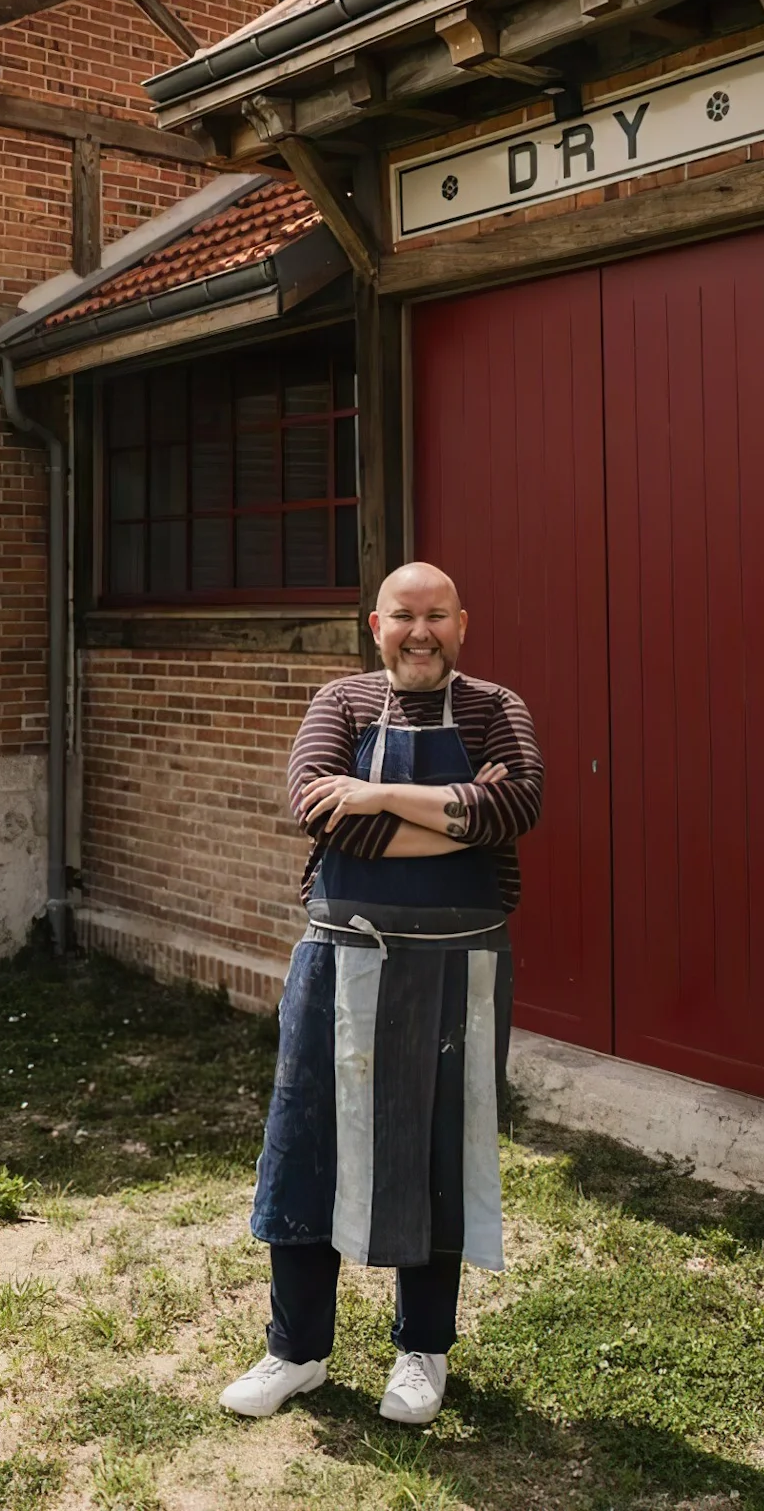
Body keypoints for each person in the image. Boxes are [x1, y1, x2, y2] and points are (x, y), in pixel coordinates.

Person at [219, 561, 544, 1426]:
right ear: (377, 624)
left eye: (438, 615)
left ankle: (421, 1352)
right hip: (340, 963)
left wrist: (381, 794)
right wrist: (451, 817)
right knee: (308, 1150)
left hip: (459, 971)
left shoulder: (496, 707)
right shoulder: (340, 703)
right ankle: (295, 1351)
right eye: (406, 616)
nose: (422, 631)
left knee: (439, 1155)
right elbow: (319, 810)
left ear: (463, 624)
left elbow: (517, 806)